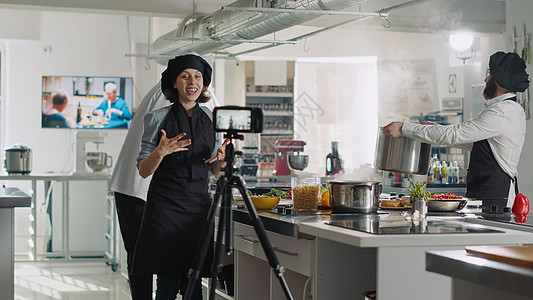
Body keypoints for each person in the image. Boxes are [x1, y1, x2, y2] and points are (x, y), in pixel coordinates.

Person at [132, 54, 227, 300]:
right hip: (165, 208)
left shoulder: (212, 119)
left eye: (197, 77)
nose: (192, 82)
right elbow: (143, 170)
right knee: (166, 284)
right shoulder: (156, 118)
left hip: (198, 208)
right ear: (174, 83)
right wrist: (160, 152)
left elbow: (213, 173)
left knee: (194, 285)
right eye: (185, 76)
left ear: (204, 84)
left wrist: (222, 161)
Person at [383, 51, 529, 207]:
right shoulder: (505, 109)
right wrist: (434, 128)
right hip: (486, 193)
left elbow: (454, 134)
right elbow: (475, 144)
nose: (486, 79)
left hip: (495, 197)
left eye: (489, 75)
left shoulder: (502, 112)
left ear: (499, 81)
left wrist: (404, 128)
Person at [109, 83, 169, 299]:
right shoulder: (167, 99)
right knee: (141, 258)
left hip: (135, 186)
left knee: (141, 257)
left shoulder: (163, 91)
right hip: (137, 188)